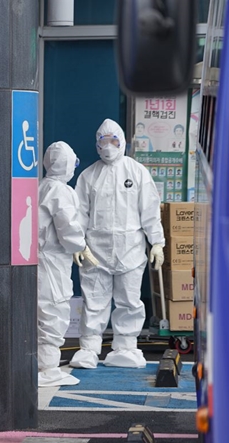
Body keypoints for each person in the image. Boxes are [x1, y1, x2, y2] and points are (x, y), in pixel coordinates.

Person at [70, 119, 165, 369]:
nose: (109, 145)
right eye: (104, 140)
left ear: (122, 141)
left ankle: (126, 346)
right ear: (97, 144)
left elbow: (150, 211)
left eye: (114, 140)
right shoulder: (88, 176)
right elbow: (79, 213)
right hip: (95, 252)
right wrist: (78, 244)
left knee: (130, 300)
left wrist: (157, 242)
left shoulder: (137, 172)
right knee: (94, 300)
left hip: (130, 250)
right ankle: (89, 348)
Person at [38, 141, 98, 387]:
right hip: (52, 261)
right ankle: (48, 368)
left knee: (40, 313)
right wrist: (81, 246)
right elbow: (68, 227)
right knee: (54, 310)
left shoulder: (40, 186)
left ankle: (41, 364)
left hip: (39, 259)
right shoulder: (60, 191)